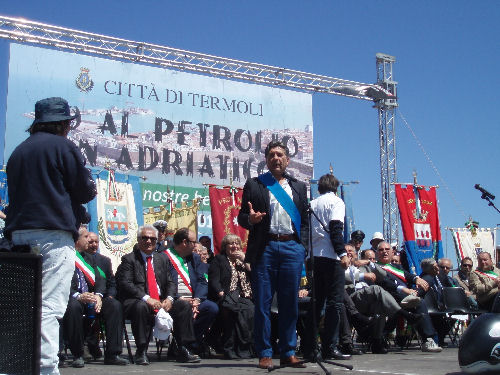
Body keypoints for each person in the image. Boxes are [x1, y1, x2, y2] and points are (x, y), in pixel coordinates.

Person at [4, 97, 97, 375]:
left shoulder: (18, 151)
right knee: (48, 307)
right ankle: (44, 369)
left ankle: (15, 366)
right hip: (52, 236)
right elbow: (84, 191)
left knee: (20, 307)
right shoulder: (63, 146)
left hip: (17, 236)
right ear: (63, 124)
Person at [238, 140, 308, 369]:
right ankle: (265, 353)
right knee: (263, 304)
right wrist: (251, 220)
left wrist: (302, 246)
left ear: (287, 160)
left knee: (290, 304)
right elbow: (241, 217)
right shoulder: (255, 184)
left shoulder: (298, 187)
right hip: (265, 248)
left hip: (291, 248)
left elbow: (305, 222)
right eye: (271, 155)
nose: (276, 158)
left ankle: (288, 351)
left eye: (280, 155)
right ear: (266, 160)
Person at [115, 225, 200, 365]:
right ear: (138, 240)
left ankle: (184, 348)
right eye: (145, 238)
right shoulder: (129, 259)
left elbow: (171, 282)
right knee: (141, 307)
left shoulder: (162, 259)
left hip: (160, 301)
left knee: (183, 306)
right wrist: (147, 298)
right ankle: (141, 351)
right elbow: (126, 283)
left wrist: (170, 299)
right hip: (137, 301)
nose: (149, 241)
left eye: (152, 239)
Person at [63, 228, 128, 367]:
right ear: (77, 239)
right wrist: (78, 295)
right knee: (73, 306)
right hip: (75, 297)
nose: (89, 240)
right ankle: (77, 354)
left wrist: (98, 296)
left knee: (114, 305)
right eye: (86, 237)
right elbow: (62, 282)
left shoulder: (90, 258)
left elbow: (100, 280)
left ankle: (112, 354)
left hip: (93, 297)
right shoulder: (65, 256)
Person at [301, 173, 349, 362]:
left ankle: (310, 347)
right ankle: (330, 346)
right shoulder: (336, 202)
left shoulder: (311, 204)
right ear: (335, 187)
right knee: (335, 303)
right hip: (331, 256)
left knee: (316, 303)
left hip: (313, 257)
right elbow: (336, 228)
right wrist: (343, 253)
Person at [373, 242, 442, 352]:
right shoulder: (374, 267)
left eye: (387, 249)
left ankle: (415, 295)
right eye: (381, 250)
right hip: (391, 296)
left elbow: (407, 275)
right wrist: (404, 289)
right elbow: (385, 283)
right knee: (420, 302)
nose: (384, 251)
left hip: (407, 295)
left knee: (428, 278)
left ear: (392, 252)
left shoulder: (396, 266)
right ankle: (428, 339)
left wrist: (416, 279)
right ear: (377, 253)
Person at [163, 228, 219, 355]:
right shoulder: (164, 257)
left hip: (194, 300)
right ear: (184, 242)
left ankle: (188, 343)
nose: (195, 245)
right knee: (183, 307)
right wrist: (177, 298)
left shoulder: (194, 258)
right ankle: (184, 346)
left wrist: (197, 300)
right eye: (193, 242)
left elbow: (201, 281)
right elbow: (162, 284)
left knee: (212, 308)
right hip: (175, 300)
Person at [208, 234, 254, 359]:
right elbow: (214, 280)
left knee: (250, 310)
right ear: (225, 247)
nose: (235, 246)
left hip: (244, 295)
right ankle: (229, 347)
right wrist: (221, 293)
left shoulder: (244, 261)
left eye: (237, 243)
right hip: (226, 295)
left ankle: (244, 348)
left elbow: (254, 274)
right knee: (232, 311)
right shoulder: (219, 260)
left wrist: (245, 260)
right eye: (231, 244)